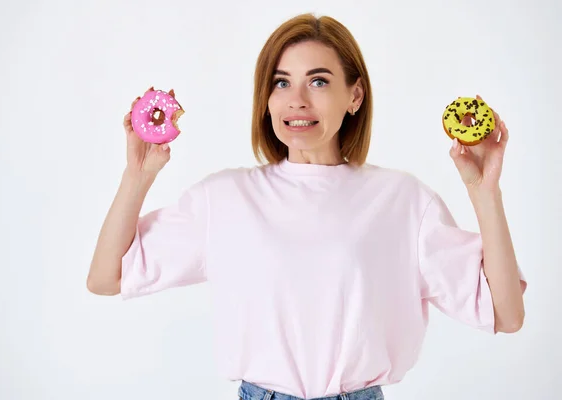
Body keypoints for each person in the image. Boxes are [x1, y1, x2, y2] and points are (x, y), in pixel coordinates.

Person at [87, 13, 527, 400]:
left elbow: (506, 314)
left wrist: (484, 192)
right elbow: (107, 277)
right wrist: (138, 176)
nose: (297, 99)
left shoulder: (404, 201)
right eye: (281, 83)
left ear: (355, 96)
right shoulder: (224, 199)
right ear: (267, 98)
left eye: (318, 81)